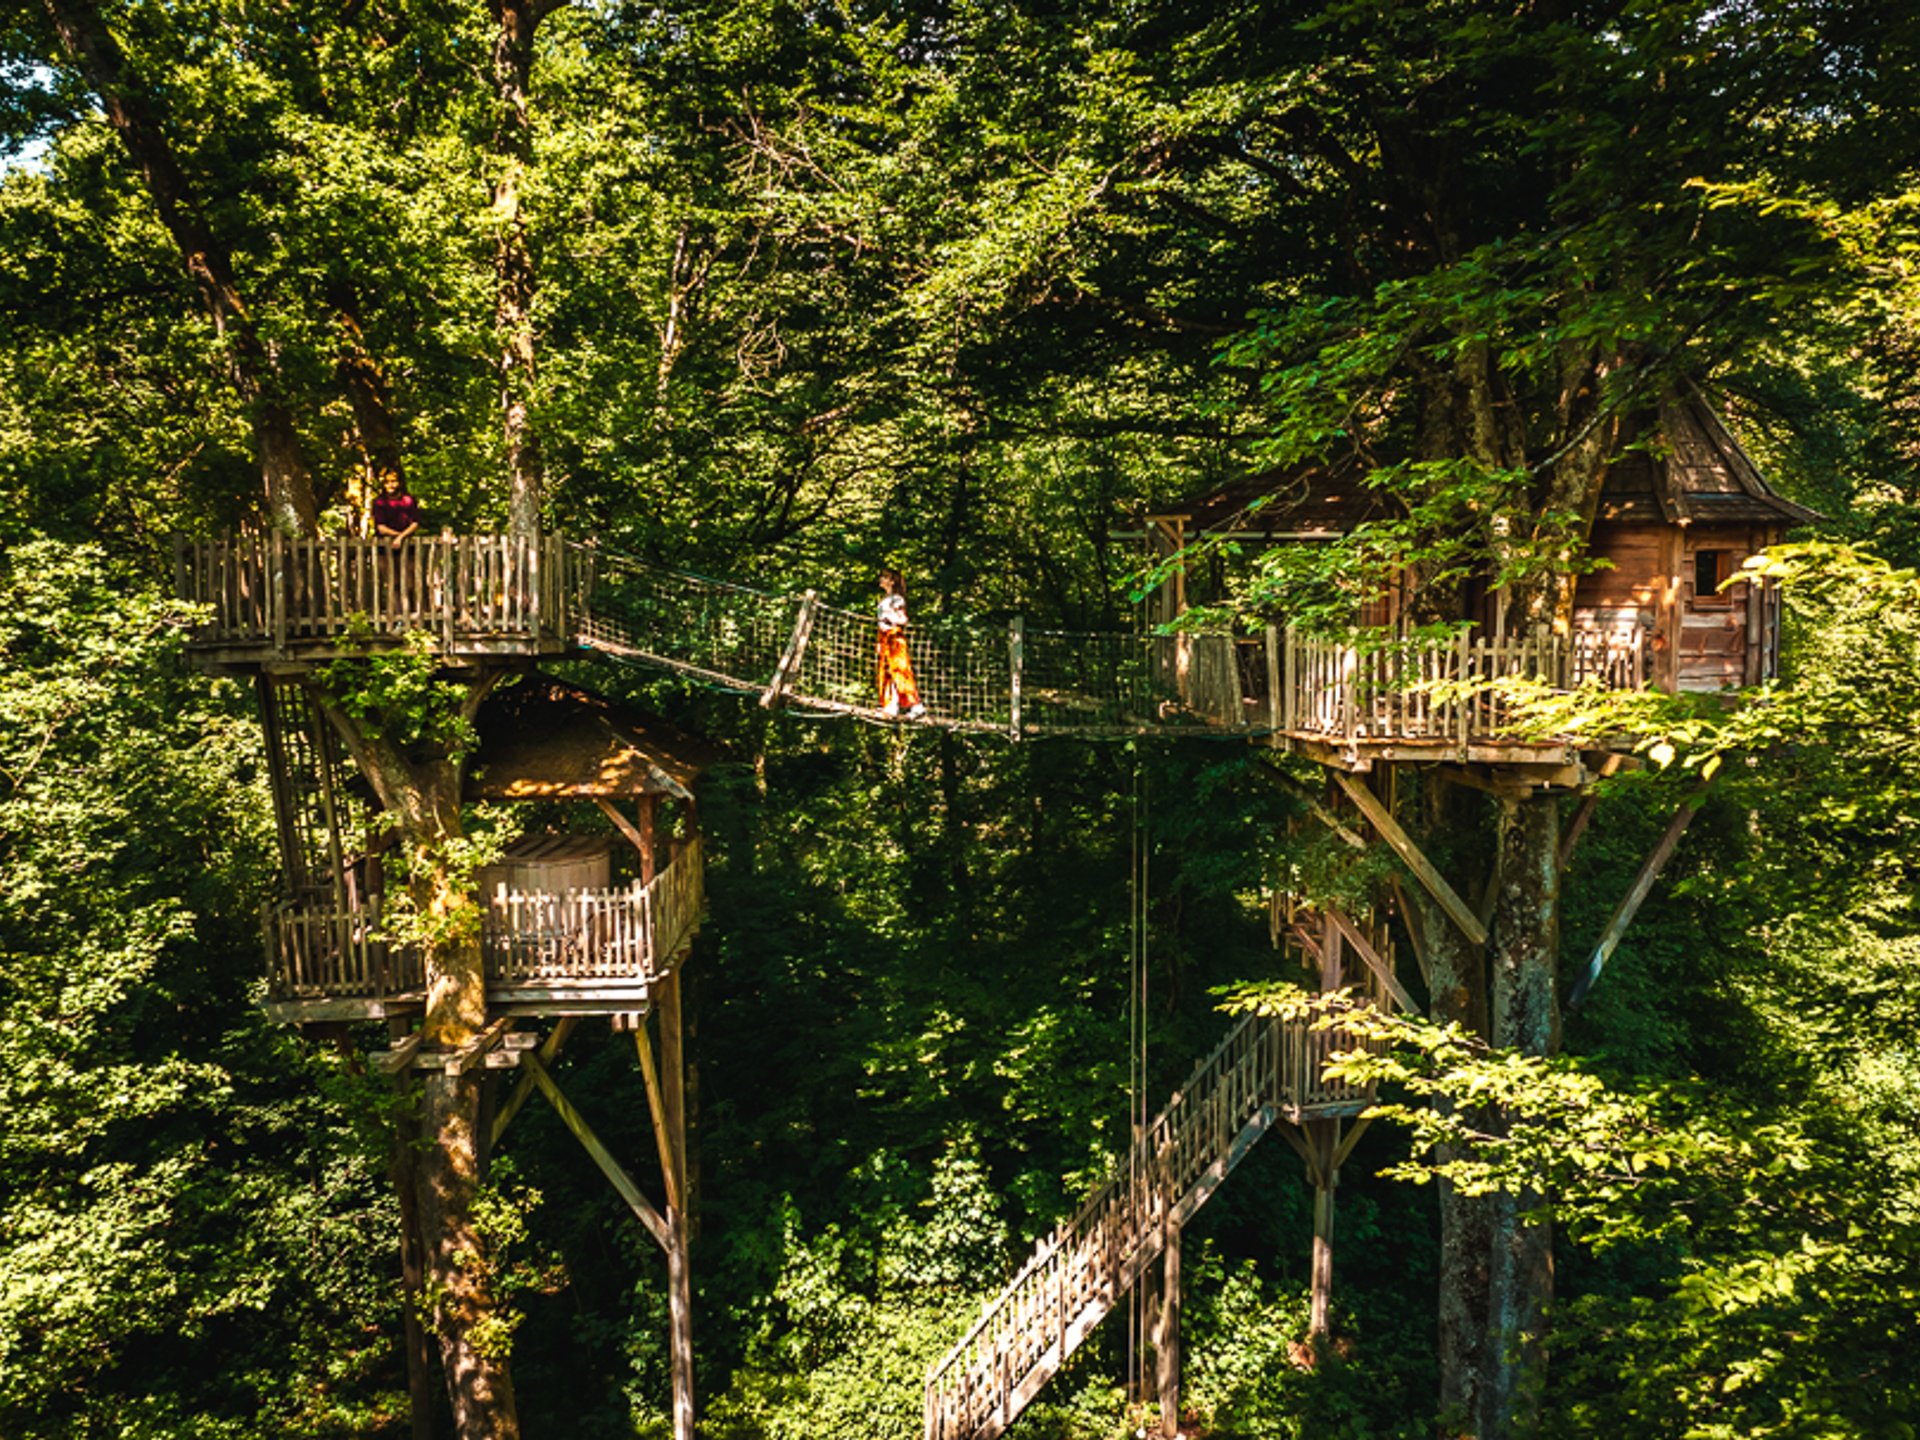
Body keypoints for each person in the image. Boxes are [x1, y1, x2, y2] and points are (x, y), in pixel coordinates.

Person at [875, 569, 926, 720]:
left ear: (892, 581)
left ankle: (915, 705)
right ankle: (891, 706)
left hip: (894, 636)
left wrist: (891, 620)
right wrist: (879, 642)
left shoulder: (896, 599)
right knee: (886, 672)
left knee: (900, 670)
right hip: (884, 638)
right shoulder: (884, 599)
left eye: (885, 577)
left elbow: (903, 619)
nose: (881, 579)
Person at [370, 470, 421, 548]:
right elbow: (381, 528)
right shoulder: (379, 502)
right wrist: (398, 536)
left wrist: (401, 537)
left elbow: (415, 524)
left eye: (393, 481)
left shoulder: (408, 500)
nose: (390, 485)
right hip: (384, 546)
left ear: (399, 483)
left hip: (408, 545)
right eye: (387, 482)